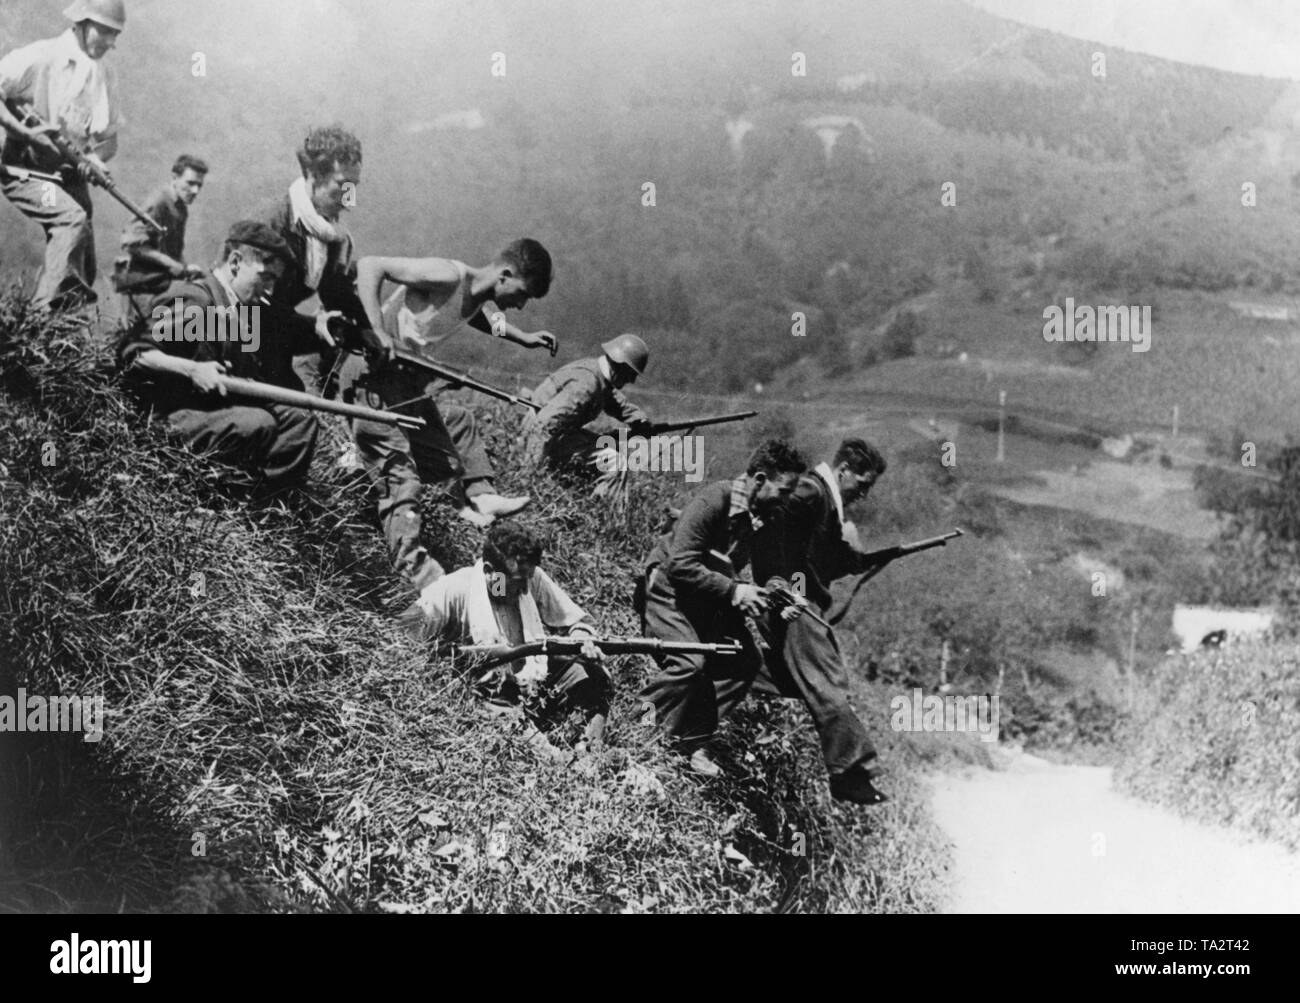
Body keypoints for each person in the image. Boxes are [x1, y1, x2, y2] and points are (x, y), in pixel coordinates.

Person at [340, 241, 555, 592]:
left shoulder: (475, 297)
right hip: (372, 374)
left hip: (406, 382)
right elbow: (371, 265)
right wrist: (377, 331)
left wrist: (523, 338)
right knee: (402, 474)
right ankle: (414, 570)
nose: (521, 303)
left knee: (445, 463)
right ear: (505, 275)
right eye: (523, 293)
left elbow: (480, 319)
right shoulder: (448, 274)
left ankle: (479, 497)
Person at [637, 439, 806, 777]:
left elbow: (772, 569)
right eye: (783, 491)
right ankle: (640, 730)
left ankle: (692, 740)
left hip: (709, 595)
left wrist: (782, 593)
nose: (787, 500)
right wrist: (734, 591)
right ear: (759, 480)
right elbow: (680, 566)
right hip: (668, 589)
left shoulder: (770, 515)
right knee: (689, 661)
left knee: (745, 662)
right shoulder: (715, 499)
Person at [116, 220, 317, 487]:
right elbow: (134, 355)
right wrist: (193, 370)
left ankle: (265, 499)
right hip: (169, 419)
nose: (269, 289)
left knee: (301, 419)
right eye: (265, 276)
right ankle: (214, 492)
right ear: (235, 263)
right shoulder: (196, 301)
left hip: (215, 414)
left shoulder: (245, 311)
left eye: (274, 281)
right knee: (257, 422)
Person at [749, 438, 890, 805]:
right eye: (862, 483)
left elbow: (813, 554)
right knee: (827, 681)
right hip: (792, 603)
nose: (864, 493)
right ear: (843, 471)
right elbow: (772, 529)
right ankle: (849, 772)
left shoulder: (823, 501)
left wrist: (857, 560)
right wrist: (778, 583)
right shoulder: (812, 491)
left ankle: (725, 668)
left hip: (794, 600)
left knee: (802, 682)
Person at [404, 521, 611, 754]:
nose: (524, 588)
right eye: (515, 581)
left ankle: (588, 746)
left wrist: (582, 636)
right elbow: (404, 632)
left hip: (532, 679)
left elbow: (574, 620)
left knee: (593, 675)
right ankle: (554, 757)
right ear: (489, 572)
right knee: (501, 713)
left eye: (527, 579)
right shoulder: (454, 589)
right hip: (488, 690)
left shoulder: (529, 578)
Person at [0, 0, 126, 311]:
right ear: (81, 24)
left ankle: (63, 330)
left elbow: (109, 142)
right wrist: (24, 133)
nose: (111, 43)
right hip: (25, 173)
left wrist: (95, 161)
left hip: (67, 174)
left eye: (115, 35)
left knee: (84, 260)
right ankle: (41, 316)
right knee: (72, 221)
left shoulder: (104, 75)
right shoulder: (42, 56)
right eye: (105, 32)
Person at [522, 334, 652, 495]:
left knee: (610, 447)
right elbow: (544, 425)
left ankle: (584, 497)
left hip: (554, 436)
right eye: (631, 374)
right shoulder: (585, 385)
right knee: (615, 462)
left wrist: (638, 419)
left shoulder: (596, 374)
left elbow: (614, 401)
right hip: (541, 440)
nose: (631, 381)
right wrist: (529, 477)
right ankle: (605, 515)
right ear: (621, 366)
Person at [113, 153, 209, 327]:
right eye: (190, 183)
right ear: (174, 178)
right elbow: (132, 245)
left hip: (161, 281)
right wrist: (170, 264)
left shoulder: (180, 208)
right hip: (144, 287)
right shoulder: (159, 202)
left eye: (199, 185)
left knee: (204, 289)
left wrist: (187, 269)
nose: (195, 191)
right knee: (198, 301)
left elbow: (174, 252)